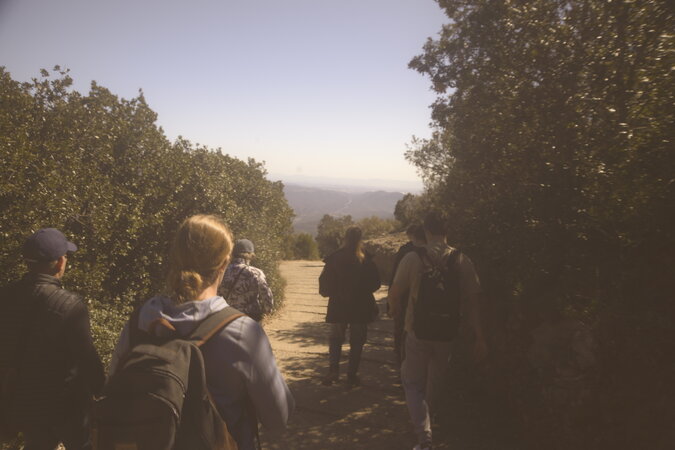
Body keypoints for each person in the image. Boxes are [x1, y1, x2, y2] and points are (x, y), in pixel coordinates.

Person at [109, 215, 294, 450]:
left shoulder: (140, 321)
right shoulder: (242, 332)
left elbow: (113, 388)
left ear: (174, 257)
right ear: (224, 264)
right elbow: (278, 418)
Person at [388, 213, 487, 450]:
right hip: (447, 333)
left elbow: (394, 292)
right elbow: (473, 301)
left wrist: (395, 309)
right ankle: (426, 419)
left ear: (426, 231)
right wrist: (479, 336)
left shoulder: (413, 258)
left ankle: (424, 437)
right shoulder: (462, 260)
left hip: (417, 331)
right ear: (447, 230)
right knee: (435, 381)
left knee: (412, 383)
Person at [0, 228, 105, 450]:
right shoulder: (70, 305)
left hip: (19, 401)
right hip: (62, 406)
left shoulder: (6, 296)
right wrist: (104, 391)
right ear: (60, 263)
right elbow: (87, 360)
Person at [319, 226, 381, 387]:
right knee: (357, 341)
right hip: (360, 308)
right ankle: (352, 376)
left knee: (335, 339)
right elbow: (376, 283)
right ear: (360, 239)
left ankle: (333, 371)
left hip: (338, 306)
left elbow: (324, 285)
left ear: (344, 238)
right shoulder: (366, 259)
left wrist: (334, 292)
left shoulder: (334, 258)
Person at [389, 224, 426, 365]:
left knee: (402, 330)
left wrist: (392, 303)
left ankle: (400, 360)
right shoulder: (440, 253)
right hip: (427, 304)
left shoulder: (406, 252)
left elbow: (395, 277)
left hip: (405, 298)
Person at [218, 238, 274, 322]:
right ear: (250, 255)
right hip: (250, 317)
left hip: (227, 317)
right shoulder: (256, 272)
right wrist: (268, 309)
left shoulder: (222, 271)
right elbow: (266, 293)